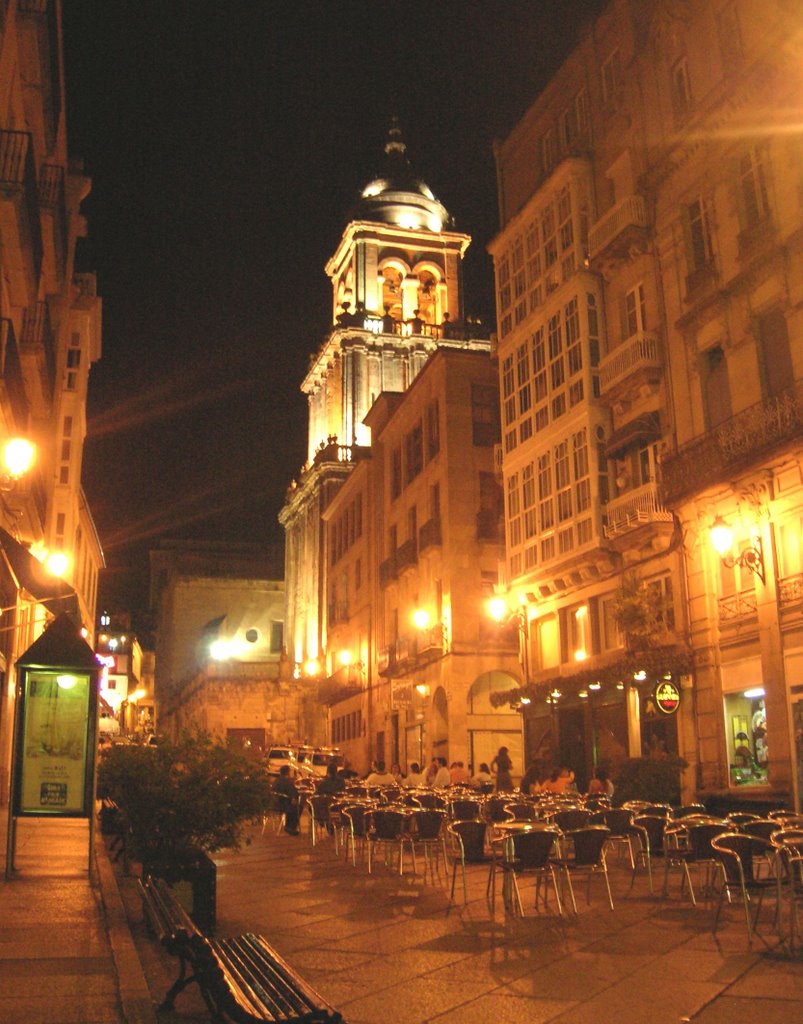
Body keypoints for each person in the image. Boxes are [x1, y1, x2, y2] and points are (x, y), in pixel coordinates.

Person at [272, 765, 301, 835]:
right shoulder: (287, 782)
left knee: (294, 805)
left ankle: (290, 826)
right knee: (298, 807)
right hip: (284, 804)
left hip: (275, 804)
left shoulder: (276, 781)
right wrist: (294, 797)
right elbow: (292, 793)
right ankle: (291, 826)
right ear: (288, 772)